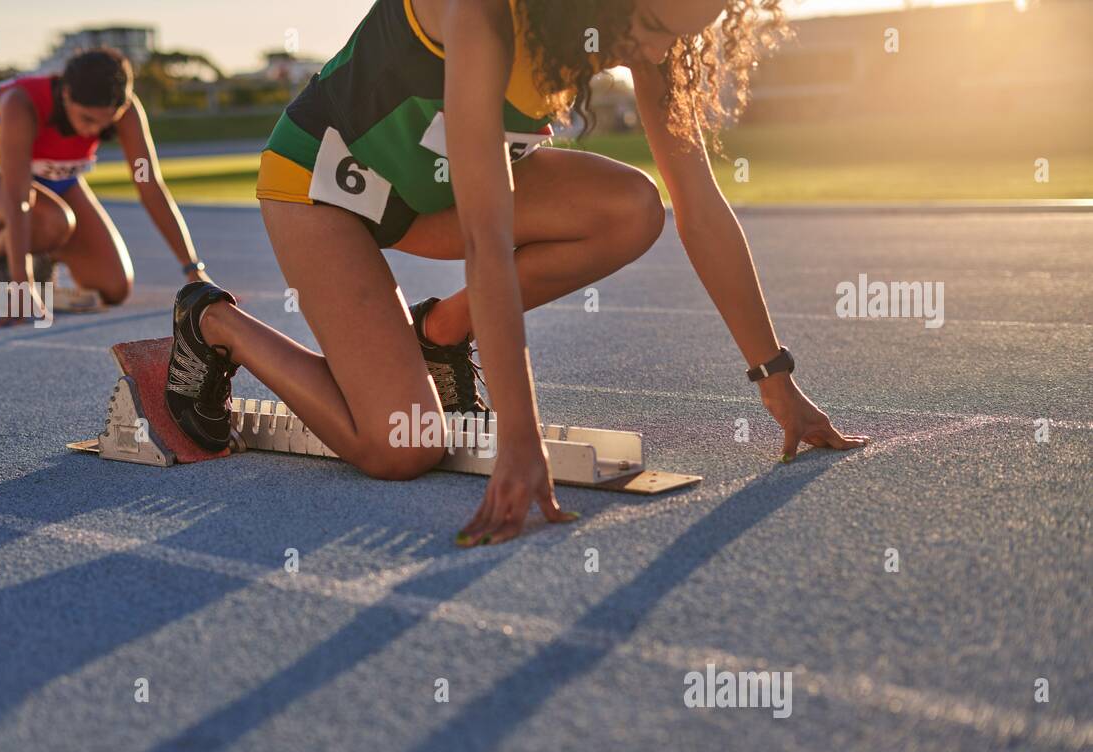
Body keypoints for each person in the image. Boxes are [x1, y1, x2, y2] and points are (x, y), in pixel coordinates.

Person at [165, 0, 869, 547]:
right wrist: (519, 441)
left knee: (633, 210)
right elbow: (486, 238)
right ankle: (213, 322)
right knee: (401, 446)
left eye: (684, 32)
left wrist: (776, 378)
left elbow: (700, 208)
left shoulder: (647, 33)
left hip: (429, 199)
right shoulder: (483, 11)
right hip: (324, 186)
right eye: (653, 25)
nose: (658, 50)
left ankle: (439, 333)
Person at [0, 48, 212, 325]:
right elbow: (18, 196)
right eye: (88, 120)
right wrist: (23, 286)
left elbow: (148, 184)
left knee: (113, 288)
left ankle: (45, 253)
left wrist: (192, 268)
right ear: (66, 94)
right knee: (52, 220)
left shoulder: (126, 111)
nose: (95, 131)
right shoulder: (20, 103)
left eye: (108, 123)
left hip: (61, 187)